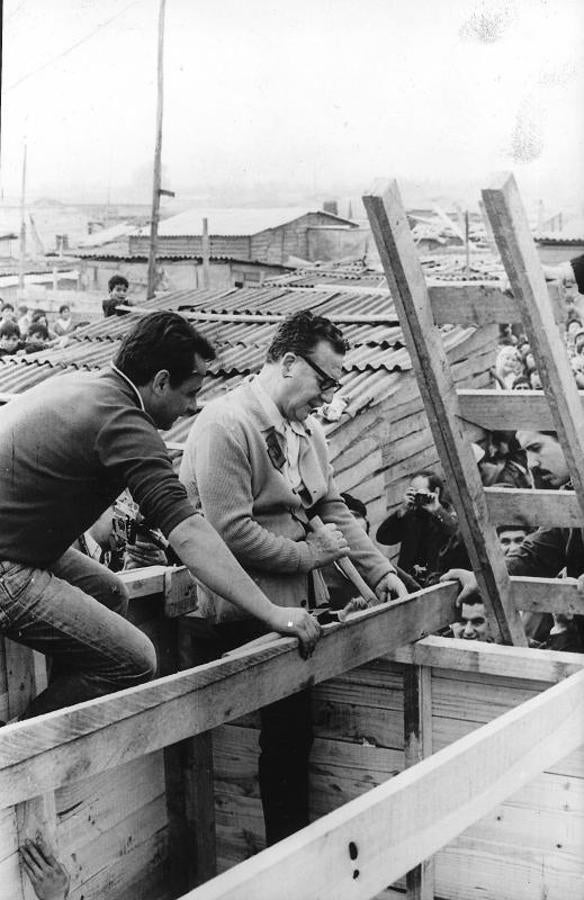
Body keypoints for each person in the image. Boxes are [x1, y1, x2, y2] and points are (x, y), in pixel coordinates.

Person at [0, 311, 320, 721]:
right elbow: (188, 533)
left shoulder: (87, 386)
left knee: (111, 593)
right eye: (190, 392)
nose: (193, 406)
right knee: (135, 661)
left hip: (21, 545)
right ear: (161, 381)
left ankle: (68, 712)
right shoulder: (126, 424)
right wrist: (273, 613)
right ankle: (19, 756)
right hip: (10, 567)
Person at [179, 309, 406, 845]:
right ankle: (284, 859)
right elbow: (230, 532)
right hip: (240, 612)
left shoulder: (305, 429)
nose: (328, 396)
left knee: (294, 737)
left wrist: (382, 575)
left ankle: (290, 854)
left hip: (293, 607)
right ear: (286, 362)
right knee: (283, 739)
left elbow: (331, 507)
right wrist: (309, 556)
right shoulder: (225, 425)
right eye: (324, 380)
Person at [442, 430, 584, 650]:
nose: (531, 463)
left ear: (571, 439)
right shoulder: (569, 498)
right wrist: (483, 578)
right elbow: (534, 555)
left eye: (536, 448)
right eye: (525, 452)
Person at [376, 471, 457, 587]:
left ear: (436, 492)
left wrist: (437, 510)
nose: (417, 498)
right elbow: (383, 537)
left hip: (438, 583)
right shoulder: (410, 515)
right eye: (413, 493)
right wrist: (401, 510)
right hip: (409, 583)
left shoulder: (446, 513)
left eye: (420, 493)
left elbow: (455, 533)